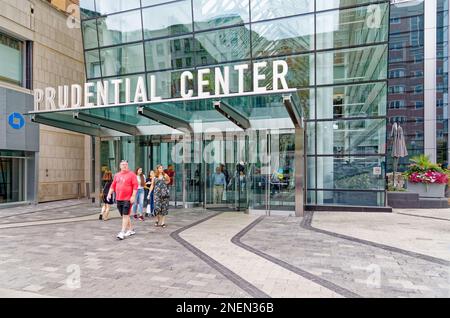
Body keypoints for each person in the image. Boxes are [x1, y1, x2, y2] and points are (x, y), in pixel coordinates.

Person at [107, 160, 138, 240]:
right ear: (120, 166)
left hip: (127, 199)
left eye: (126, 165)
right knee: (125, 215)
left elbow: (135, 186)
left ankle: (122, 232)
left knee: (125, 215)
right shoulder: (117, 175)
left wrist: (133, 196)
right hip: (119, 198)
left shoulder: (132, 175)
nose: (124, 166)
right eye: (123, 165)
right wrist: (109, 194)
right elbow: (113, 185)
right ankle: (130, 230)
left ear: (128, 166)